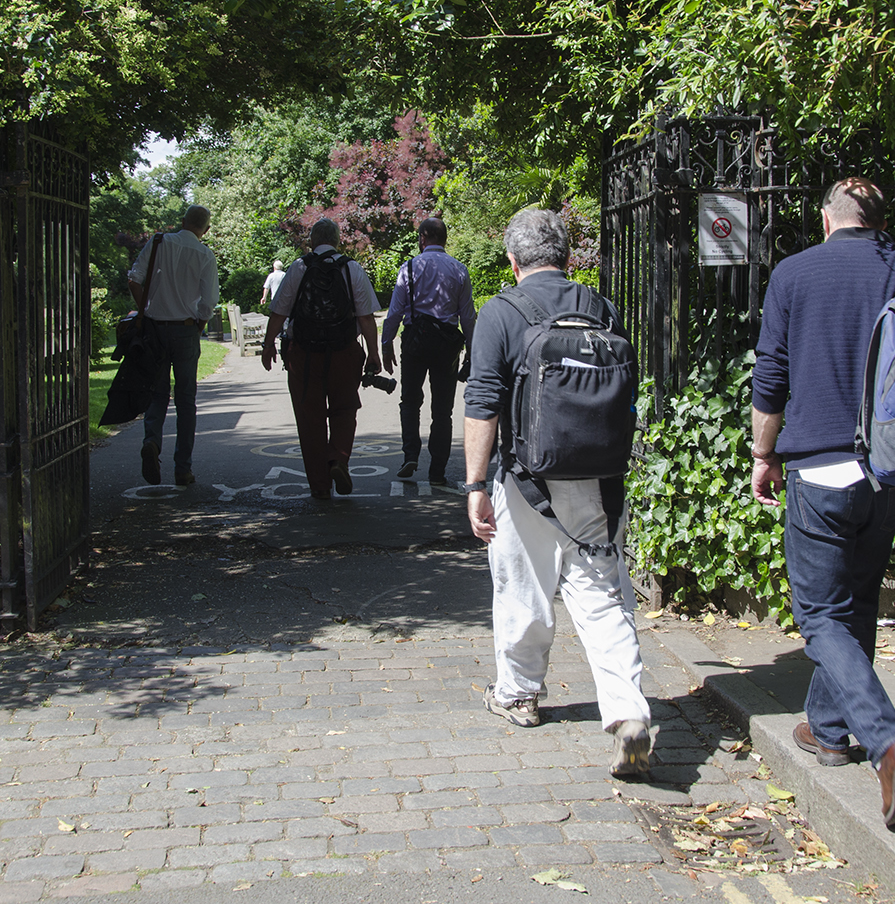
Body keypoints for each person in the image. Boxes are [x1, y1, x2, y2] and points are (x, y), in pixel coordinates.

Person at [749, 177, 895, 828]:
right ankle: (827, 730)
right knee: (859, 599)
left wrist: (764, 455)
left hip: (819, 469)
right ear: (879, 221)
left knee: (819, 615)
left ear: (827, 220)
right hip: (892, 465)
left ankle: (889, 746)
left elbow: (772, 375)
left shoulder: (794, 274)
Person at [462, 208, 653, 777]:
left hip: (527, 479)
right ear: (568, 258)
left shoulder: (499, 312)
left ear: (512, 261)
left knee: (523, 588)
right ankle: (628, 714)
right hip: (598, 478)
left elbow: (482, 403)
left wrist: (475, 484)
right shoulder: (600, 306)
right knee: (601, 596)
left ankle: (519, 694)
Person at [261, 219, 382, 500]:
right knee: (345, 408)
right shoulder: (351, 268)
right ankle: (338, 458)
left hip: (304, 353)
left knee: (309, 416)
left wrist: (268, 345)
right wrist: (374, 352)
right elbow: (365, 316)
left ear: (312, 240)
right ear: (338, 240)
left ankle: (319, 486)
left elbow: (279, 311)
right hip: (343, 350)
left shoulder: (299, 267)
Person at [127, 205, 219, 487]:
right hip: (186, 330)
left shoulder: (158, 243)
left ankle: (152, 442)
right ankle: (183, 468)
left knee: (157, 393)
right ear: (205, 229)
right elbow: (209, 300)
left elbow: (134, 278)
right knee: (186, 400)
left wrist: (144, 311)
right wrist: (199, 323)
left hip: (155, 329)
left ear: (182, 221)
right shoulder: (205, 254)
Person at [381, 217, 475, 484]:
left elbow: (395, 312)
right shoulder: (459, 269)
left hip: (414, 342)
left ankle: (410, 454)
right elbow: (467, 316)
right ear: (444, 238)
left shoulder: (409, 268)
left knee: (410, 401)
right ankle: (437, 470)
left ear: (422, 238)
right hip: (446, 346)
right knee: (442, 410)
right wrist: (471, 349)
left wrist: (386, 344)